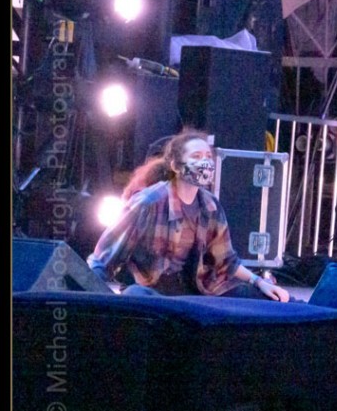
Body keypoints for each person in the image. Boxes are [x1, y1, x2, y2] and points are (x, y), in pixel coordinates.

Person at [87, 129, 291, 301]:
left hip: (197, 294)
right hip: (154, 295)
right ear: (175, 166)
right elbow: (103, 259)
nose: (205, 162)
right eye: (196, 157)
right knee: (136, 295)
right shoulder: (148, 203)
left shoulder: (210, 206)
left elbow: (227, 261)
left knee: (262, 298)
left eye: (208, 157)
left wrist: (259, 282)